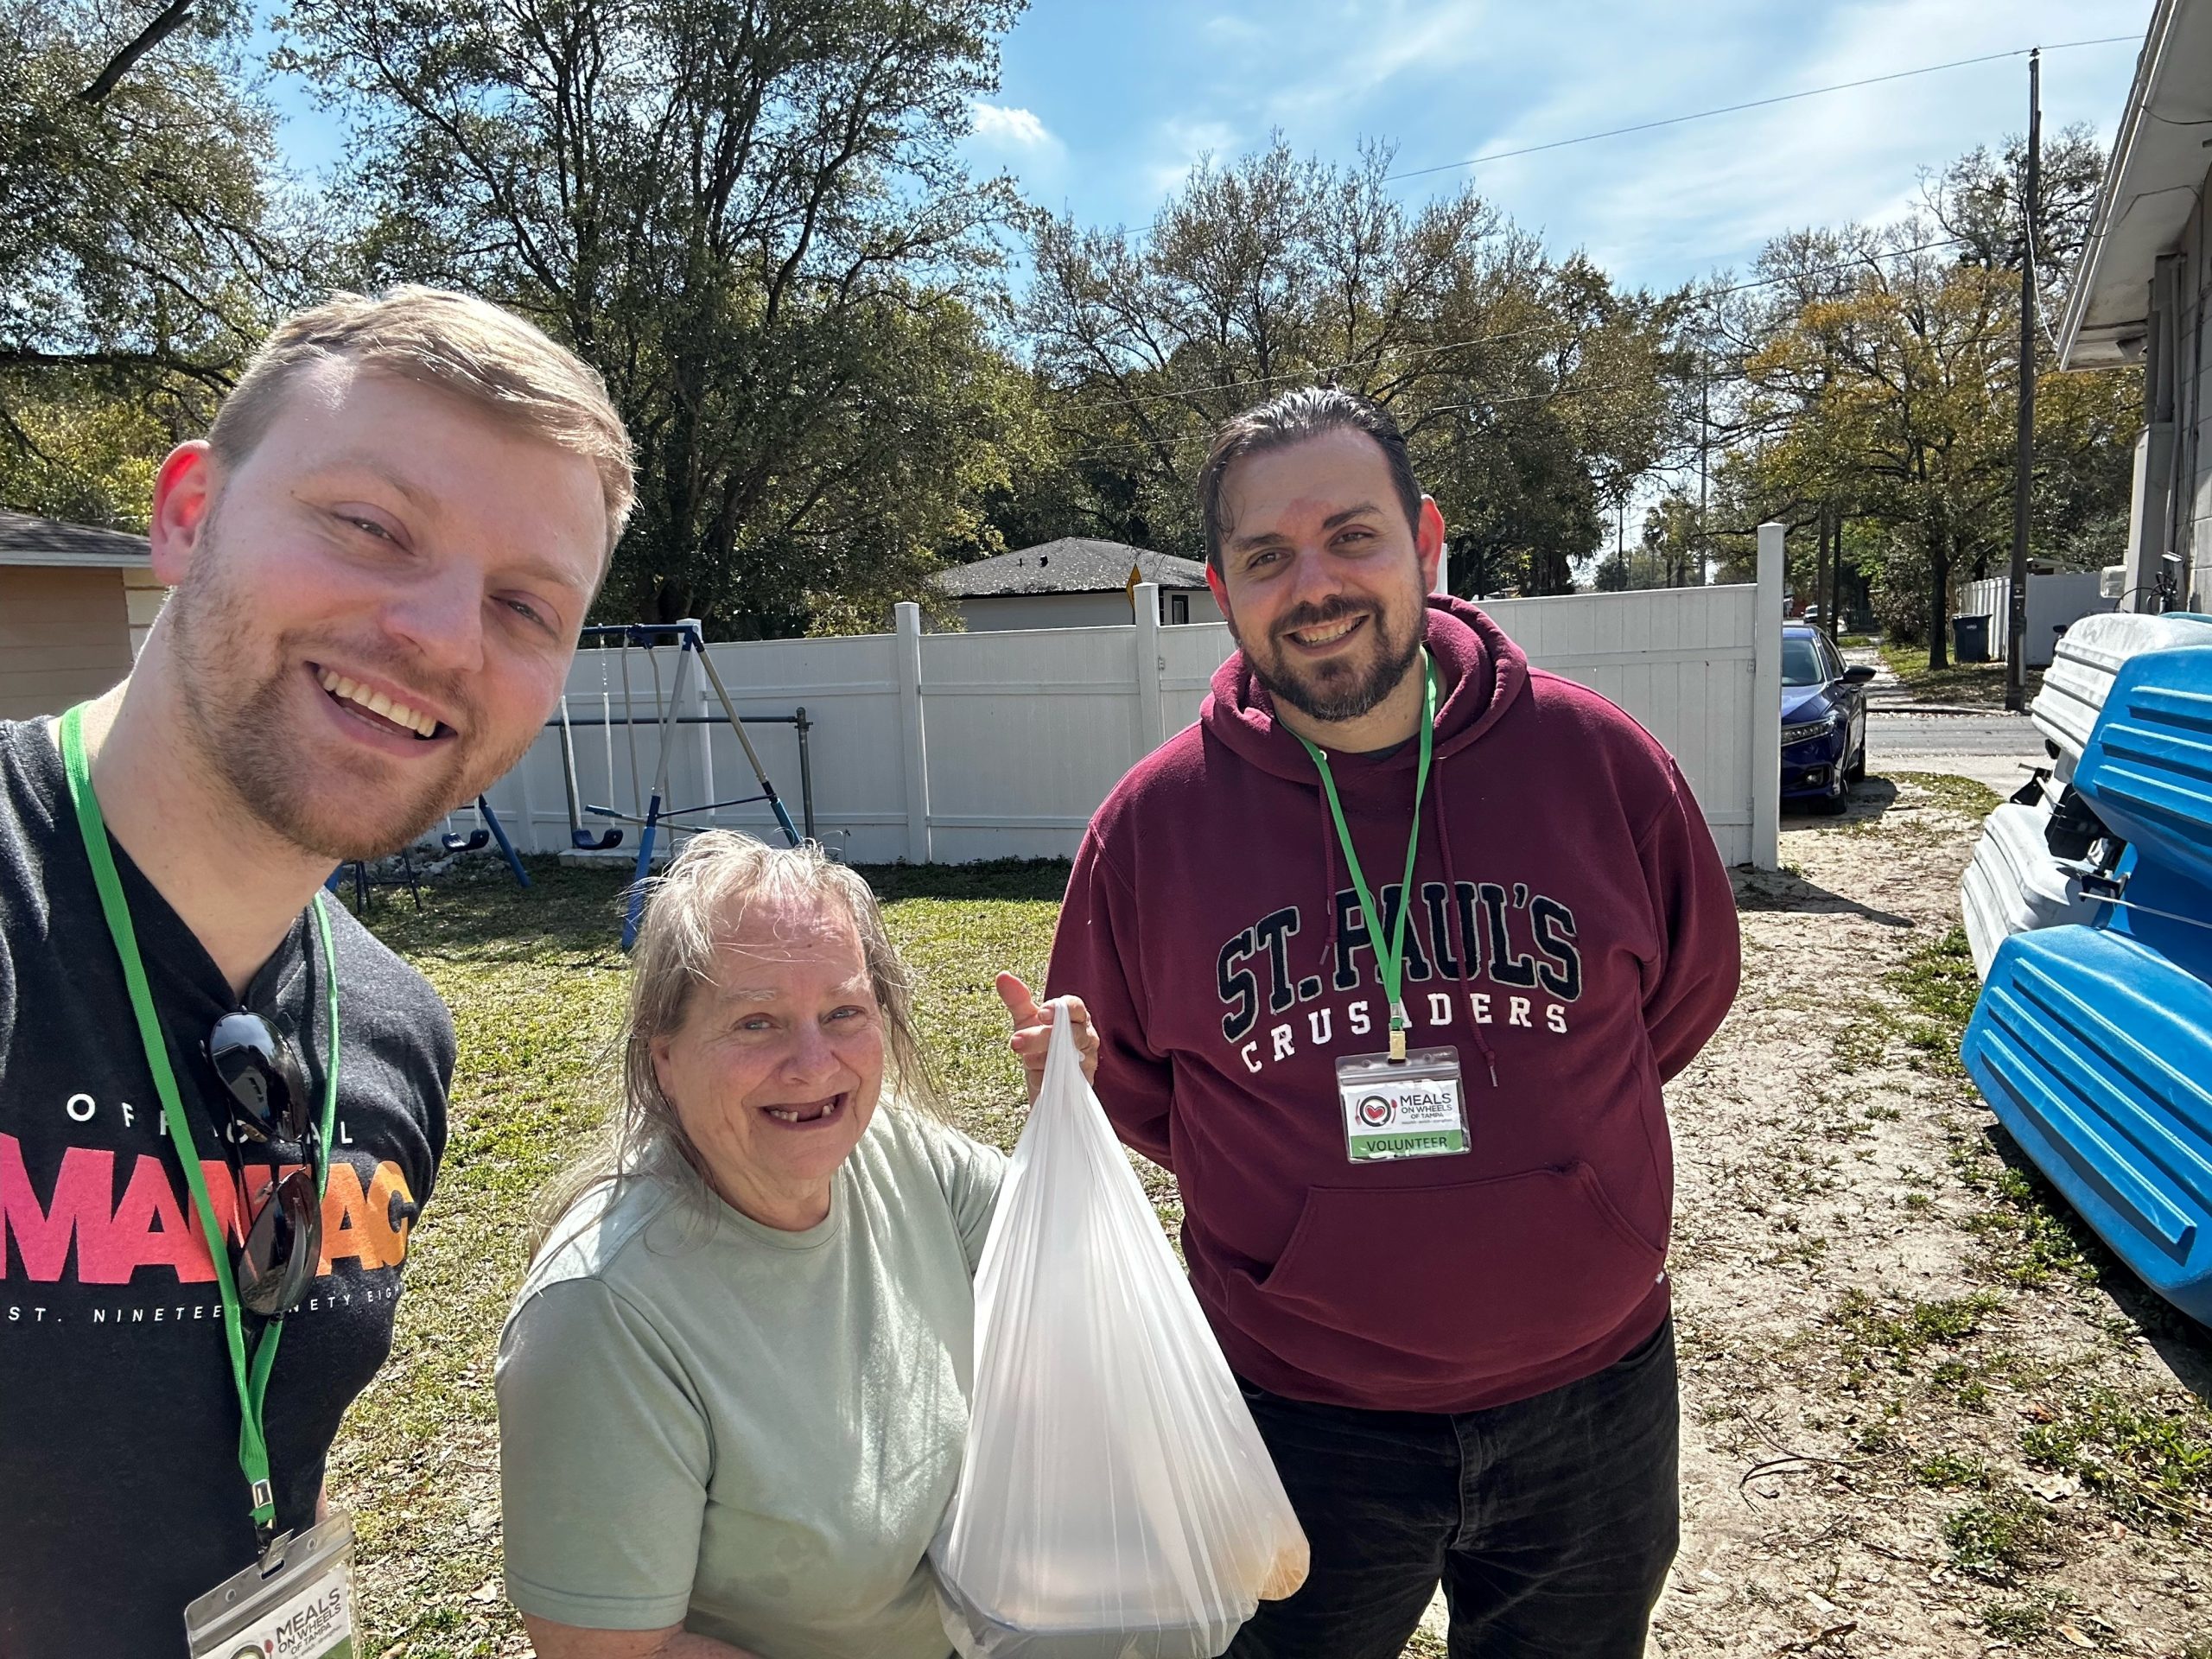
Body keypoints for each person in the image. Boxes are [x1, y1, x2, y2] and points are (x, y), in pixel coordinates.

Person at [1045, 388, 1741, 1659]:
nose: (1313, 584)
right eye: (1267, 555)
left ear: (1425, 542)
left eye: (1351, 535)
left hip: (1591, 1391)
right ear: (1222, 587)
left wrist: (1566, 1179)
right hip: (1296, 1414)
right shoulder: (1151, 830)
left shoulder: (1600, 764)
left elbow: (1681, 999)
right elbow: (1138, 1091)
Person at [0, 286, 634, 1656]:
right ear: (187, 516)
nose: (445, 635)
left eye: (528, 606)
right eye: (370, 526)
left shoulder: (396, 1035)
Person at [496, 832, 1094, 1659]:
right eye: (756, 1021)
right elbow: (611, 1651)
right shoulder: (604, 1312)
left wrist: (1062, 1117)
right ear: (663, 1058)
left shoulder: (898, 1153)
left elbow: (1063, 1264)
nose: (812, 1064)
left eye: (843, 1012)